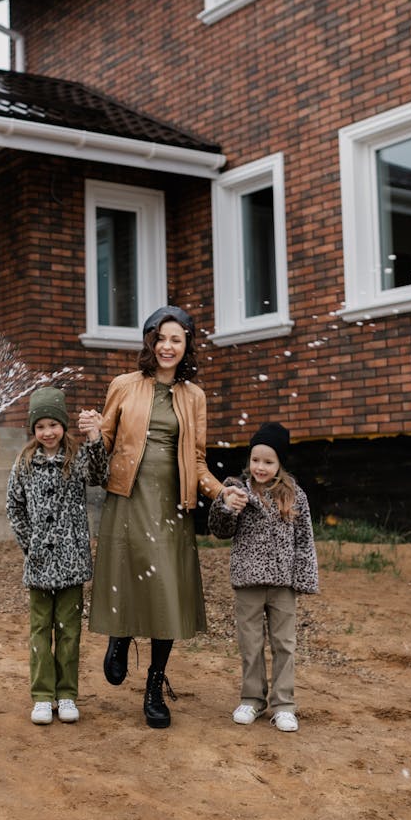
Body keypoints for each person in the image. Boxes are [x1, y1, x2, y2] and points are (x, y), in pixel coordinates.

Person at [89, 305, 245, 729]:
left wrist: (219, 491)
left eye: (177, 339)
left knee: (166, 588)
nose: (168, 346)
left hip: (173, 505)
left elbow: (196, 459)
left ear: (187, 344)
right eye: (161, 338)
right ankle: (119, 638)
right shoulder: (123, 385)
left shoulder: (194, 395)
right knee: (129, 573)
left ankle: (155, 686)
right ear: (149, 342)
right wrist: (89, 436)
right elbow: (103, 444)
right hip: (127, 496)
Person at [208, 421, 319, 732]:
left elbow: (304, 540)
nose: (260, 467)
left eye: (268, 461)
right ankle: (252, 698)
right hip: (248, 583)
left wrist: (304, 578)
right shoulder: (236, 491)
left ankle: (283, 704)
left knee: (284, 643)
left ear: (280, 463)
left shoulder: (295, 496)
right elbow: (219, 530)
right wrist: (228, 508)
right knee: (251, 643)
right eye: (255, 460)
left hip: (283, 585)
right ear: (249, 460)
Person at [6, 387, 108, 726]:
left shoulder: (76, 459)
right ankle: (41, 695)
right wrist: (29, 544)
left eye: (53, 424)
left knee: (69, 631)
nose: (47, 432)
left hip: (71, 562)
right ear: (33, 430)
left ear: (63, 425)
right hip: (38, 563)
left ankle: (67, 694)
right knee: (39, 629)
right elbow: (14, 506)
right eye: (40, 426)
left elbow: (99, 475)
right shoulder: (24, 463)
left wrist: (95, 438)